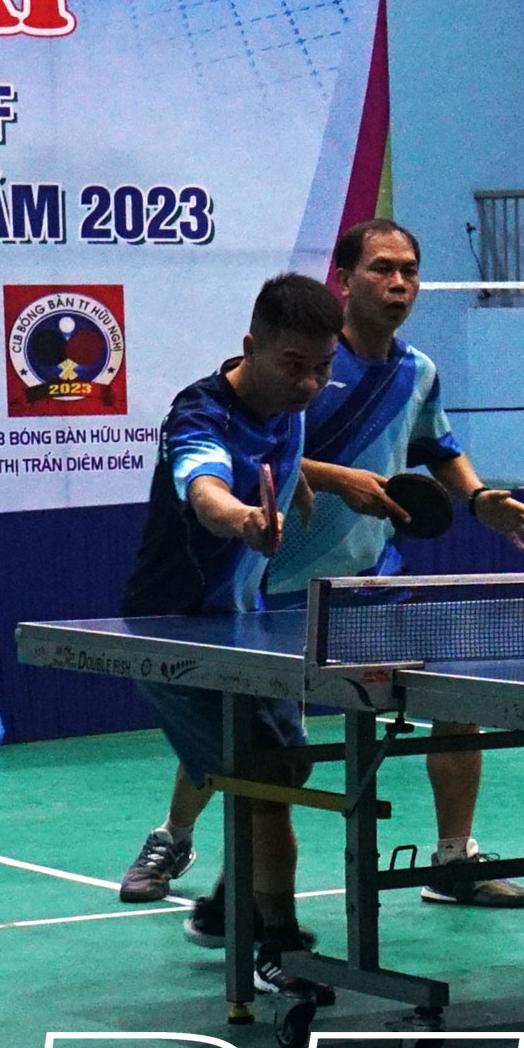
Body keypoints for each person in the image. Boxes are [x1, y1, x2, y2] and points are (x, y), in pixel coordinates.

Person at [120, 220, 524, 917]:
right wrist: (329, 482)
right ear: (345, 279)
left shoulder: (415, 372)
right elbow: (238, 457)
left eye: (409, 270)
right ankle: (177, 841)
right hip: (280, 584)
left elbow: (436, 447)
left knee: (451, 698)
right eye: (382, 268)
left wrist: (478, 498)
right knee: (247, 740)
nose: (398, 283)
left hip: (371, 578)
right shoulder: (293, 369)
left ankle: (452, 858)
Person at [120, 274, 346, 989]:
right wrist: (244, 518)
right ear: (251, 347)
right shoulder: (198, 413)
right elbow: (205, 488)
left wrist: (300, 480)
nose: (309, 383)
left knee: (289, 766)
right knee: (265, 776)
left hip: (241, 625)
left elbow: (276, 450)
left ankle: (227, 909)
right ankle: (276, 943)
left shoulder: (289, 405)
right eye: (294, 365)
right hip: (173, 630)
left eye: (323, 368)